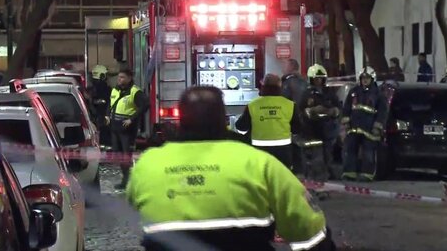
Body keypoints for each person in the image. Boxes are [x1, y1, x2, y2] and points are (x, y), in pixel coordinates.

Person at [126, 86, 335, 251]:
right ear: (223, 118)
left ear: (181, 119)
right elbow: (308, 228)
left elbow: (135, 205)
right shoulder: (257, 163)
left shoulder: (147, 164)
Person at [235, 74, 299, 170]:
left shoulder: (253, 105)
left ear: (263, 85)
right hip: (283, 152)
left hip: (259, 151)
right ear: (280, 86)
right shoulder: (290, 105)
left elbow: (241, 126)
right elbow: (297, 129)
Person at [341, 67, 388, 182]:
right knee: (350, 150)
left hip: (369, 129)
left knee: (368, 152)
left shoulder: (378, 94)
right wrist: (346, 122)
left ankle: (367, 174)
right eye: (363, 78)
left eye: (367, 78)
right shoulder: (354, 92)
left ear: (372, 79)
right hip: (354, 127)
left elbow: (382, 112)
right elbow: (347, 108)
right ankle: (349, 173)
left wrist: (377, 126)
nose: (365, 80)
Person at [106, 68, 149, 189]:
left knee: (126, 156)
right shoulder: (115, 90)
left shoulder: (135, 92)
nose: (119, 79)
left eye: (122, 77)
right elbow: (110, 104)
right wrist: (107, 115)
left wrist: (132, 119)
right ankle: (126, 179)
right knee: (119, 156)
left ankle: (128, 181)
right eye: (119, 77)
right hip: (115, 128)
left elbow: (145, 105)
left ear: (129, 78)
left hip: (127, 130)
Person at [299, 64, 341, 181]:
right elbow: (301, 111)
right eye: (316, 78)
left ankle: (326, 177)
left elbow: (338, 108)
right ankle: (315, 179)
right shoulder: (306, 94)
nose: (319, 81)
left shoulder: (329, 93)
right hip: (312, 131)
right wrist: (312, 111)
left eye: (321, 78)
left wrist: (333, 111)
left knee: (328, 157)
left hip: (327, 131)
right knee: (315, 159)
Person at [91, 65, 111, 144]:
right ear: (102, 76)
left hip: (95, 117)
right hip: (102, 117)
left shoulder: (92, 88)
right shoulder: (105, 88)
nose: (107, 78)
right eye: (105, 75)